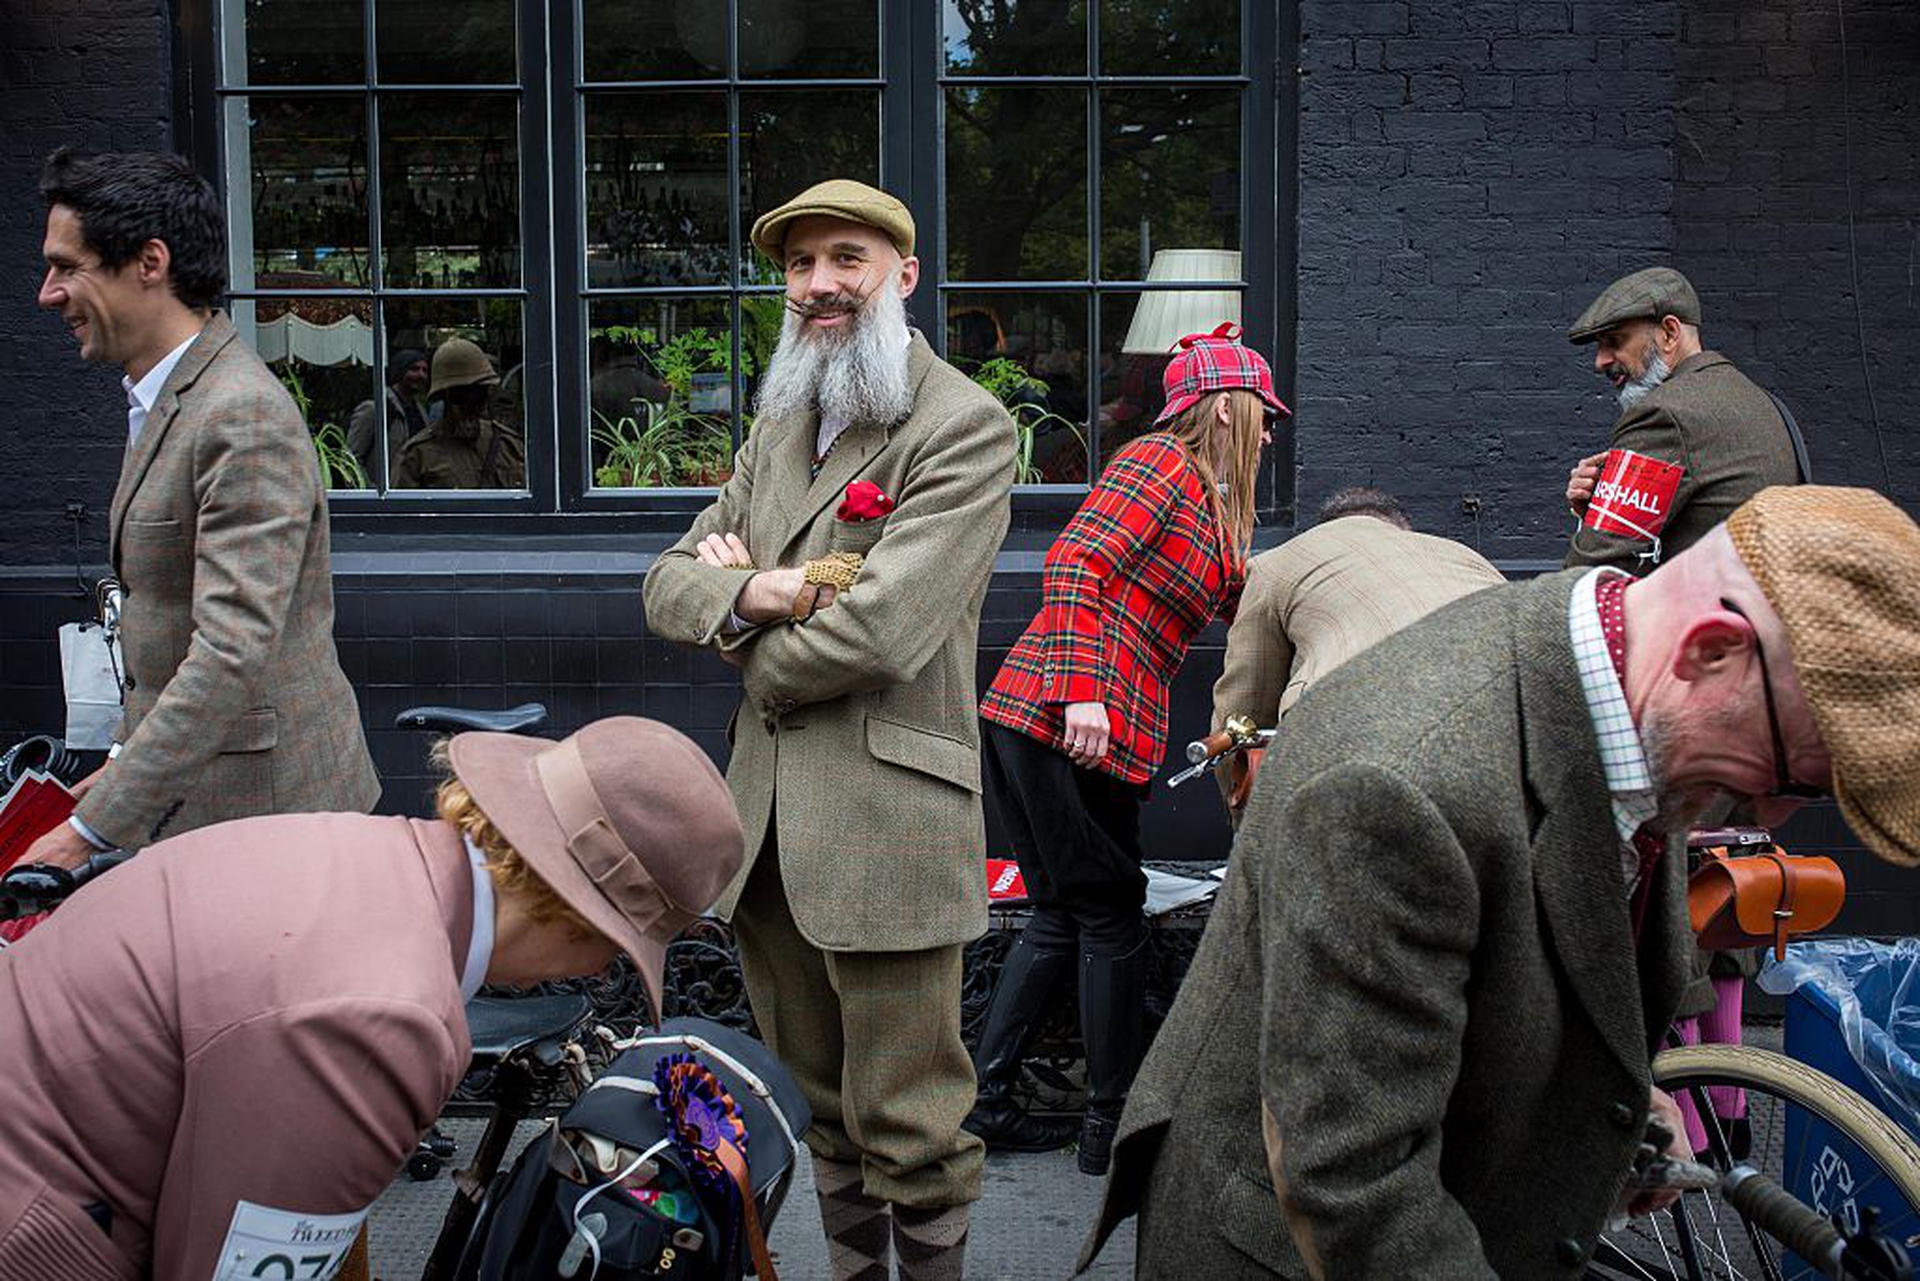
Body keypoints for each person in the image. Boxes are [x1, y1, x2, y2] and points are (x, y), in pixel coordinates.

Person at [1081, 485, 1920, 1278]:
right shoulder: (1397, 785)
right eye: (1790, 781)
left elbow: (1546, 957)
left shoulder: (1619, 683)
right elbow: (1356, 1180)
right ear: (1710, 651)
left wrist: (1610, 1117)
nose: (1770, 819)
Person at [0, 715, 745, 1279]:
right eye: (619, 944)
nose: (596, 971)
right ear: (581, 918)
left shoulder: (351, 845)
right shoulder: (391, 1017)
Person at [642, 179, 1015, 1281]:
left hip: (890, 823)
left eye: (845, 259)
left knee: (913, 1129)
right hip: (764, 833)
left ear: (902, 275)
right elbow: (666, 581)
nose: (819, 285)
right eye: (800, 266)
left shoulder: (963, 427)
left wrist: (736, 629)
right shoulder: (780, 424)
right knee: (823, 1114)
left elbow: (884, 634)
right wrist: (760, 595)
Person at [971, 325, 1288, 1174]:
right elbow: (1075, 561)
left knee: (1062, 908)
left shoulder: (1214, 504)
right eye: (1263, 414)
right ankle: (1112, 1121)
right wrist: (1083, 692)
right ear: (1227, 407)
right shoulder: (1160, 464)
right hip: (1065, 712)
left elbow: (1244, 606)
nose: (1270, 430)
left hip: (1057, 716)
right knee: (1111, 909)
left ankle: (988, 1101)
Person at [25, 149, 377, 869]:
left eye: (69, 266)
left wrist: (88, 828)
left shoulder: (238, 414)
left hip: (271, 824)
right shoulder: (171, 398)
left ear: (149, 262)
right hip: (208, 808)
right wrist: (126, 760)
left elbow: (228, 651)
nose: (47, 292)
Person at [1211, 486, 1503, 819]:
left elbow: (1242, 711)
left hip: (1356, 721)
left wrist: (1245, 825)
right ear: (1401, 530)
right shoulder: (1465, 557)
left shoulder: (1279, 563)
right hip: (1502, 713)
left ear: (1325, 530)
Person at [1563, 266, 1803, 572]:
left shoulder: (1664, 415)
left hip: (1703, 612)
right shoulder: (1762, 401)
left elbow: (1594, 563)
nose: (1600, 361)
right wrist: (1600, 509)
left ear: (1670, 333)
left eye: (1615, 340)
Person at [392, 336, 528, 489]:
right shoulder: (417, 455)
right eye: (462, 395)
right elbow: (400, 510)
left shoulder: (509, 446)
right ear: (445, 396)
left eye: (479, 393)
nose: (472, 403)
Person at [346, 345, 428, 477]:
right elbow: (351, 460)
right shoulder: (375, 409)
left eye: (425, 370)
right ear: (400, 371)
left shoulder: (421, 412)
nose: (421, 375)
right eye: (414, 369)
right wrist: (370, 492)